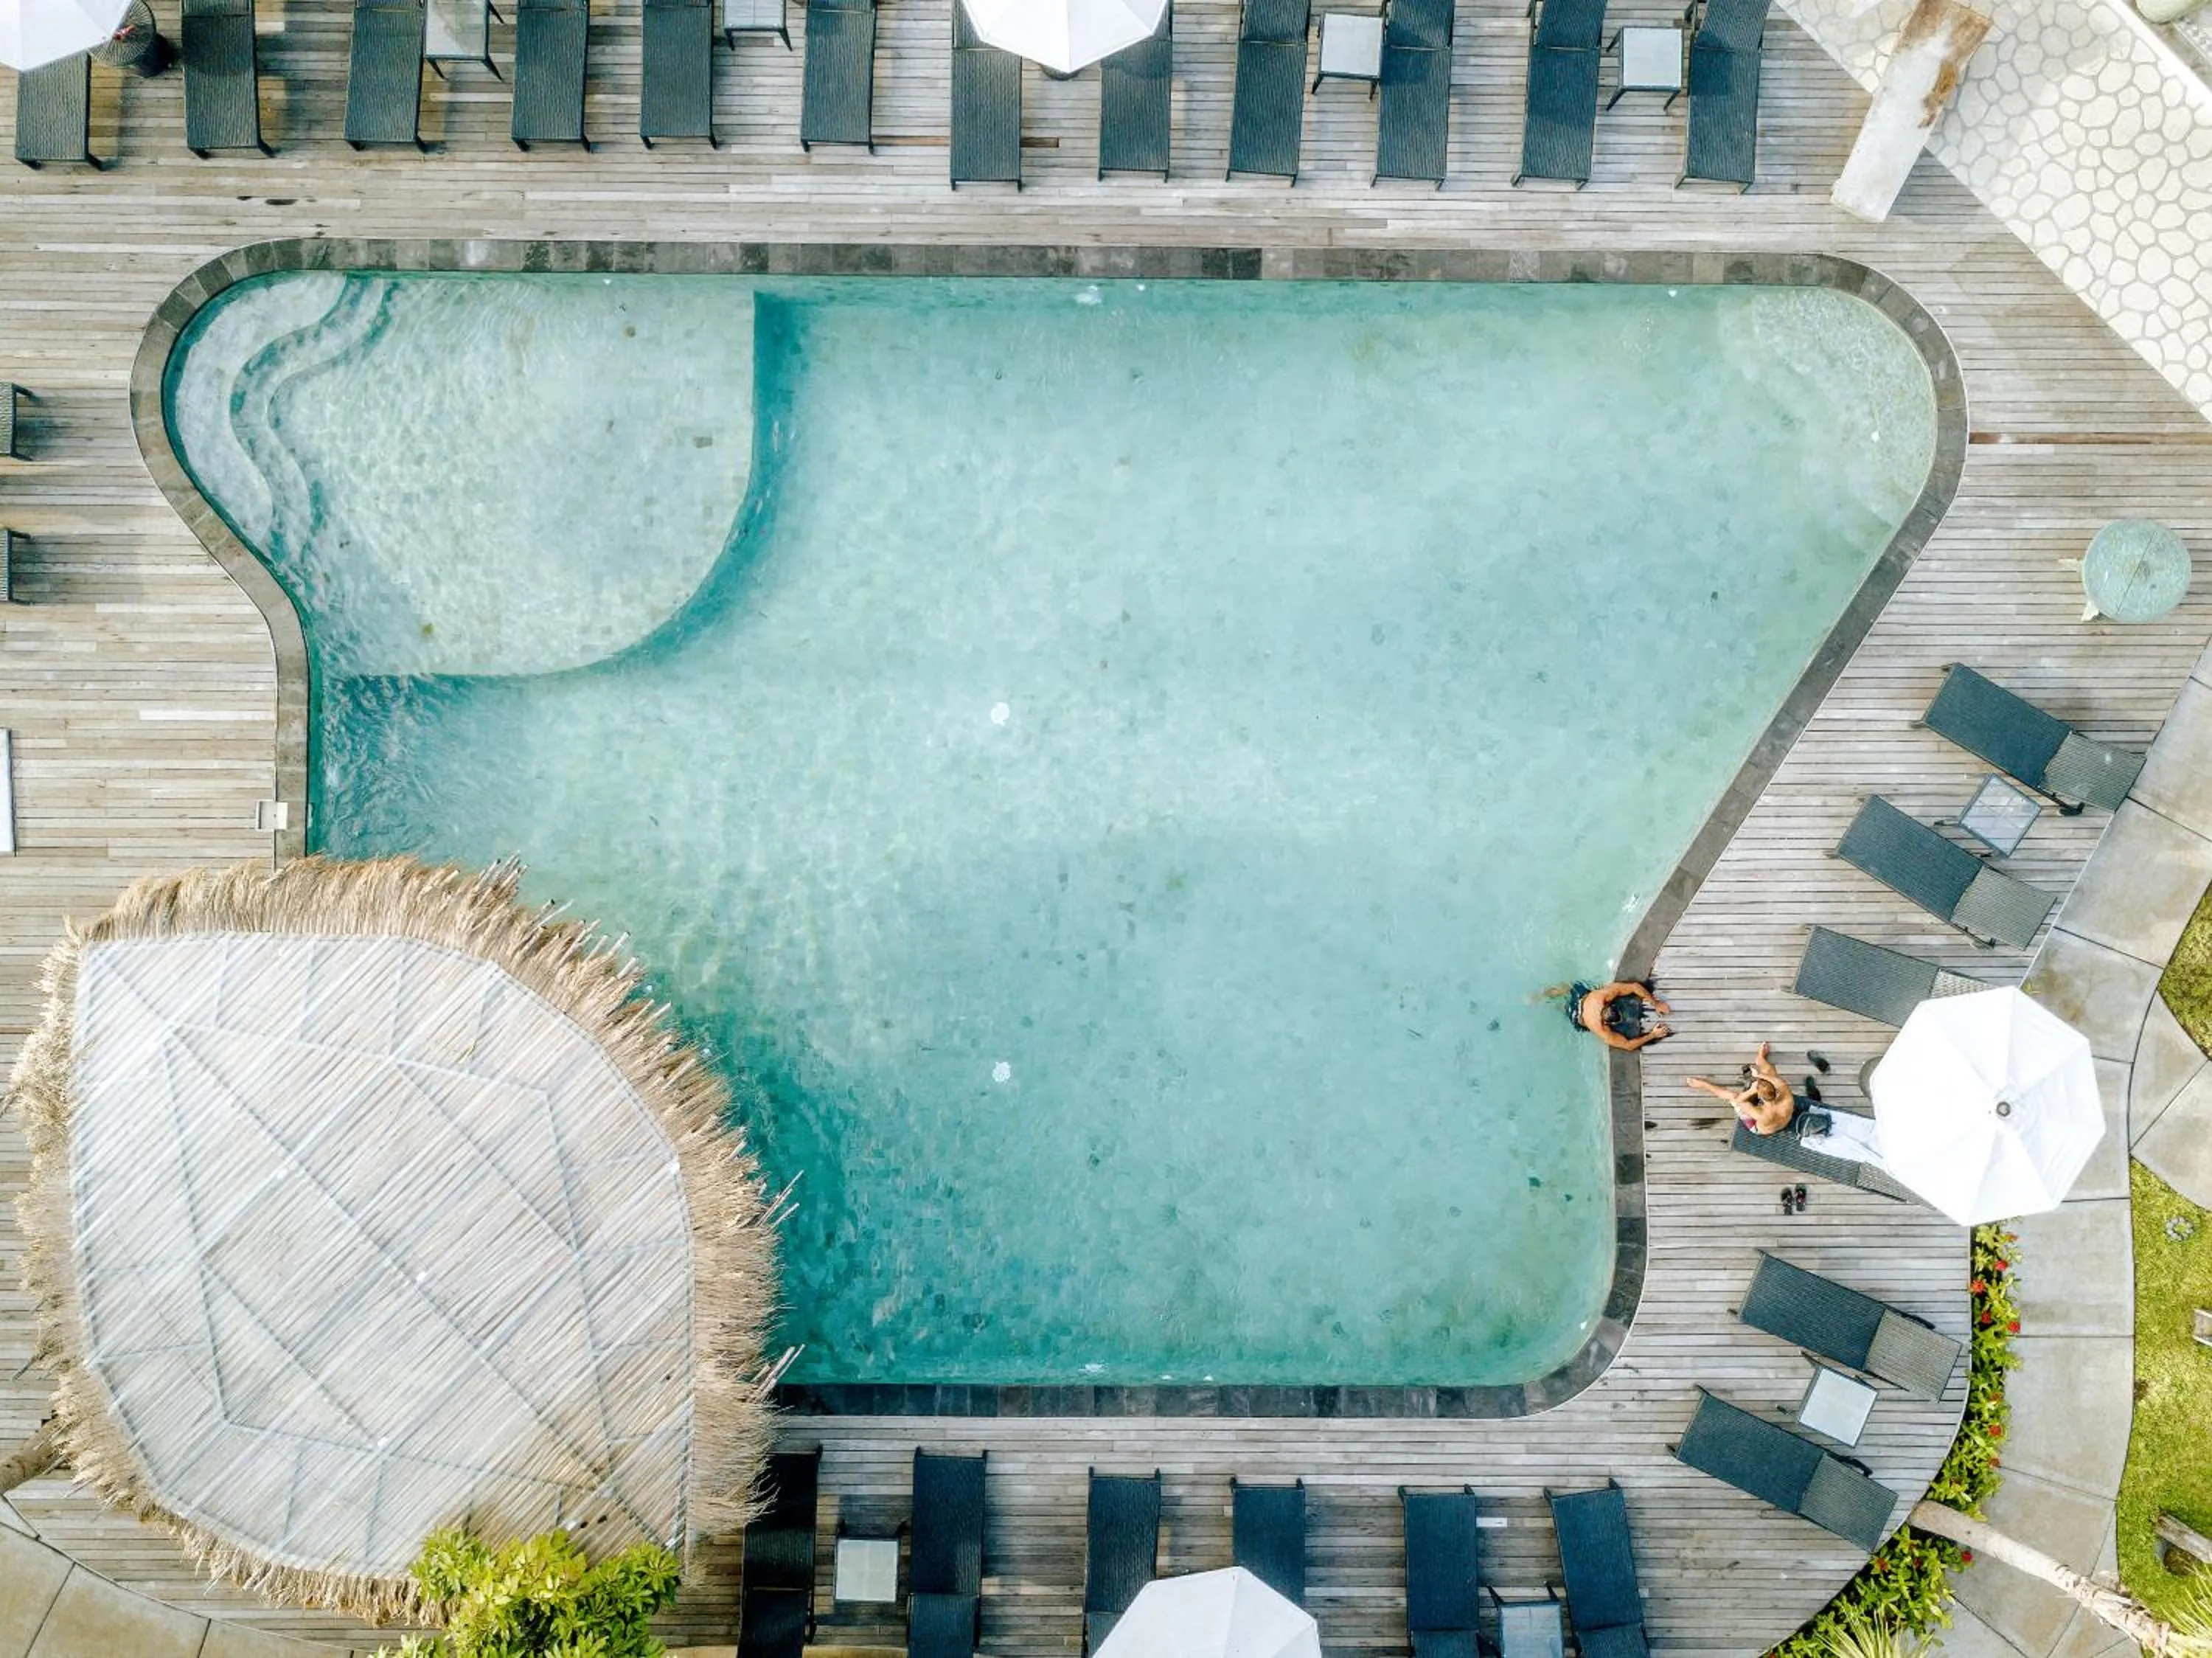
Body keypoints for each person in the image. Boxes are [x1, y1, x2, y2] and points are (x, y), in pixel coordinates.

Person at [1687, 1041, 1795, 1134]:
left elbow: (1740, 1102)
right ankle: (1760, 1059)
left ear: (1760, 1098)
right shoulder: (1787, 1097)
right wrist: (1758, 1075)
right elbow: (1777, 1081)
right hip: (1782, 1120)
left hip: (1759, 1127)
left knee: (1733, 1096)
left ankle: (1704, 1085)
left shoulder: (1762, 1115)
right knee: (1771, 1073)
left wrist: (1752, 1090)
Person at [1551, 979, 1672, 1052]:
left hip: (1583, 998)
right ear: (1607, 1024)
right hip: (1578, 1018)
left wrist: (1656, 1003)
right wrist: (1653, 1035)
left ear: (1609, 1005)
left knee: (1567, 989)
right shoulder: (1601, 1028)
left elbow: (1634, 987)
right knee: (1563, 1009)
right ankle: (1556, 1005)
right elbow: (1627, 1046)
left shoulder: (1601, 997)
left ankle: (1542, 995)